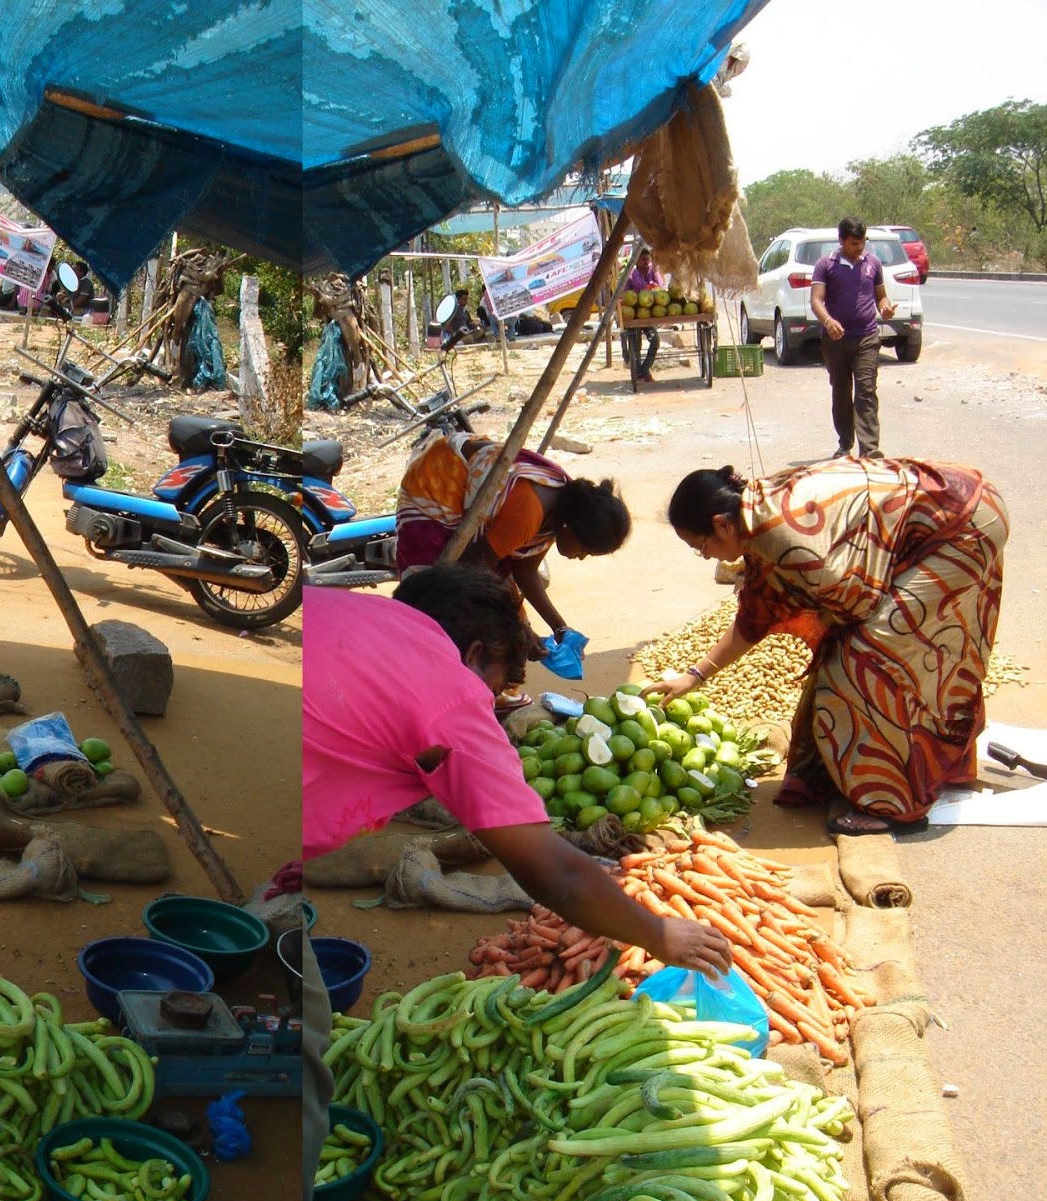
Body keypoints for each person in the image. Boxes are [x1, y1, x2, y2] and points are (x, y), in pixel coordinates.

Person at [300, 567, 732, 1201]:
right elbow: (554, 873)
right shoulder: (451, 694)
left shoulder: (352, 612)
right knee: (305, 1023)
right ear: (475, 653)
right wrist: (661, 935)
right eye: (500, 683)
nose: (495, 702)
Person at [663, 460, 1008, 835]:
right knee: (859, 656)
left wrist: (827, 638)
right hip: (950, 503)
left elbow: (858, 606)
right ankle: (861, 768)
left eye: (700, 546)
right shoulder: (756, 517)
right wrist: (694, 676)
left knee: (867, 659)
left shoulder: (786, 540)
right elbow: (755, 616)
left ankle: (894, 804)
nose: (706, 556)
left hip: (963, 525)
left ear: (722, 525)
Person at [395, 440, 630, 683]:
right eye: (584, 550)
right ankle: (440, 677)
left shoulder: (564, 508)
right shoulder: (528, 514)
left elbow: (526, 572)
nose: (580, 557)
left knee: (505, 617)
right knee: (440, 597)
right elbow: (469, 571)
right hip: (440, 482)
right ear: (570, 528)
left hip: (484, 544)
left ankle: (485, 682)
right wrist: (521, 628)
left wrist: (560, 628)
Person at [811, 217, 896, 459]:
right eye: (854, 243)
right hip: (835, 341)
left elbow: (881, 296)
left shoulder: (873, 263)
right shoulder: (825, 265)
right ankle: (845, 445)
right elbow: (816, 300)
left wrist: (885, 308)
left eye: (862, 242)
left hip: (866, 337)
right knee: (841, 391)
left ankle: (869, 449)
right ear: (841, 241)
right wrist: (828, 321)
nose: (860, 247)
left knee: (866, 390)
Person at [625, 246, 663, 380]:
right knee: (636, 346)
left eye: (647, 259)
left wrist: (654, 285)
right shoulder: (631, 275)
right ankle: (639, 372)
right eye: (643, 260)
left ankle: (644, 369)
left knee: (655, 340)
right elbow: (628, 293)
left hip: (649, 315)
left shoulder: (653, 271)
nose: (646, 262)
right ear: (636, 261)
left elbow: (660, 285)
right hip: (634, 315)